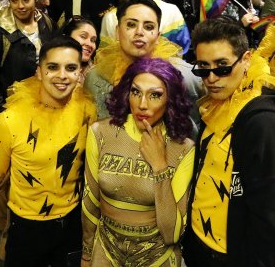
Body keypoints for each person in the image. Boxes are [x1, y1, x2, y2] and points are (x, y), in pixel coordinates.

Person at [184, 18, 275, 267]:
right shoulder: (214, 107)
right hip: (200, 249)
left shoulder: (264, 124)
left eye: (222, 67)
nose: (211, 78)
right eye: (202, 68)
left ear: (246, 60)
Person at [0, 36, 96, 266]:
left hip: (72, 222)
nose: (62, 75)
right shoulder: (8, 121)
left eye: (71, 68)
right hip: (25, 226)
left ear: (79, 73)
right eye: (53, 67)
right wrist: (3, 226)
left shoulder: (87, 109)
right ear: (39, 71)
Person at [81, 57, 195, 266]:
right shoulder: (100, 132)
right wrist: (87, 254)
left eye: (155, 95)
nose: (142, 104)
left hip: (157, 258)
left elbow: (172, 233)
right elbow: (90, 202)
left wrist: (160, 166)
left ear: (170, 99)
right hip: (105, 252)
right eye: (136, 92)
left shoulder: (183, 148)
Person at [85, 0, 203, 118]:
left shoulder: (183, 76)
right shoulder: (96, 77)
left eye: (148, 27)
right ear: (117, 32)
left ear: (158, 36)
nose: (139, 32)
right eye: (131, 25)